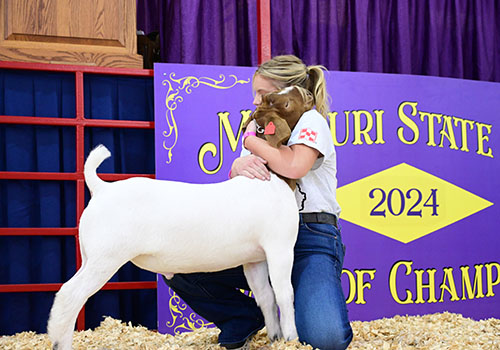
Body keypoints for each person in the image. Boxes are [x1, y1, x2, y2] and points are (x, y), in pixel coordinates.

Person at [164, 55, 353, 350]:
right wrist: (237, 167)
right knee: (178, 263)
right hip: (256, 236)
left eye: (263, 95)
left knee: (324, 339)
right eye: (255, 95)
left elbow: (293, 167)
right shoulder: (262, 126)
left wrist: (250, 143)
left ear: (288, 96)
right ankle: (242, 318)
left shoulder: (311, 120)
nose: (255, 102)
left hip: (309, 237)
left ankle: (308, 302)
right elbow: (246, 188)